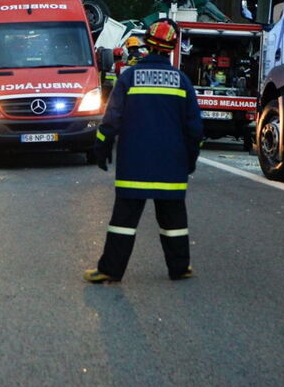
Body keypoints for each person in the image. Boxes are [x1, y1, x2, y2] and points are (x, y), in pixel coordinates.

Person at [84, 18, 203, 283]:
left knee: (123, 222)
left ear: (147, 44)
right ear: (171, 48)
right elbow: (194, 128)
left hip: (134, 165)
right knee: (173, 222)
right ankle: (180, 268)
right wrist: (190, 158)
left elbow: (111, 119)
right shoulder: (182, 81)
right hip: (171, 166)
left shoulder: (129, 78)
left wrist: (101, 148)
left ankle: (110, 270)